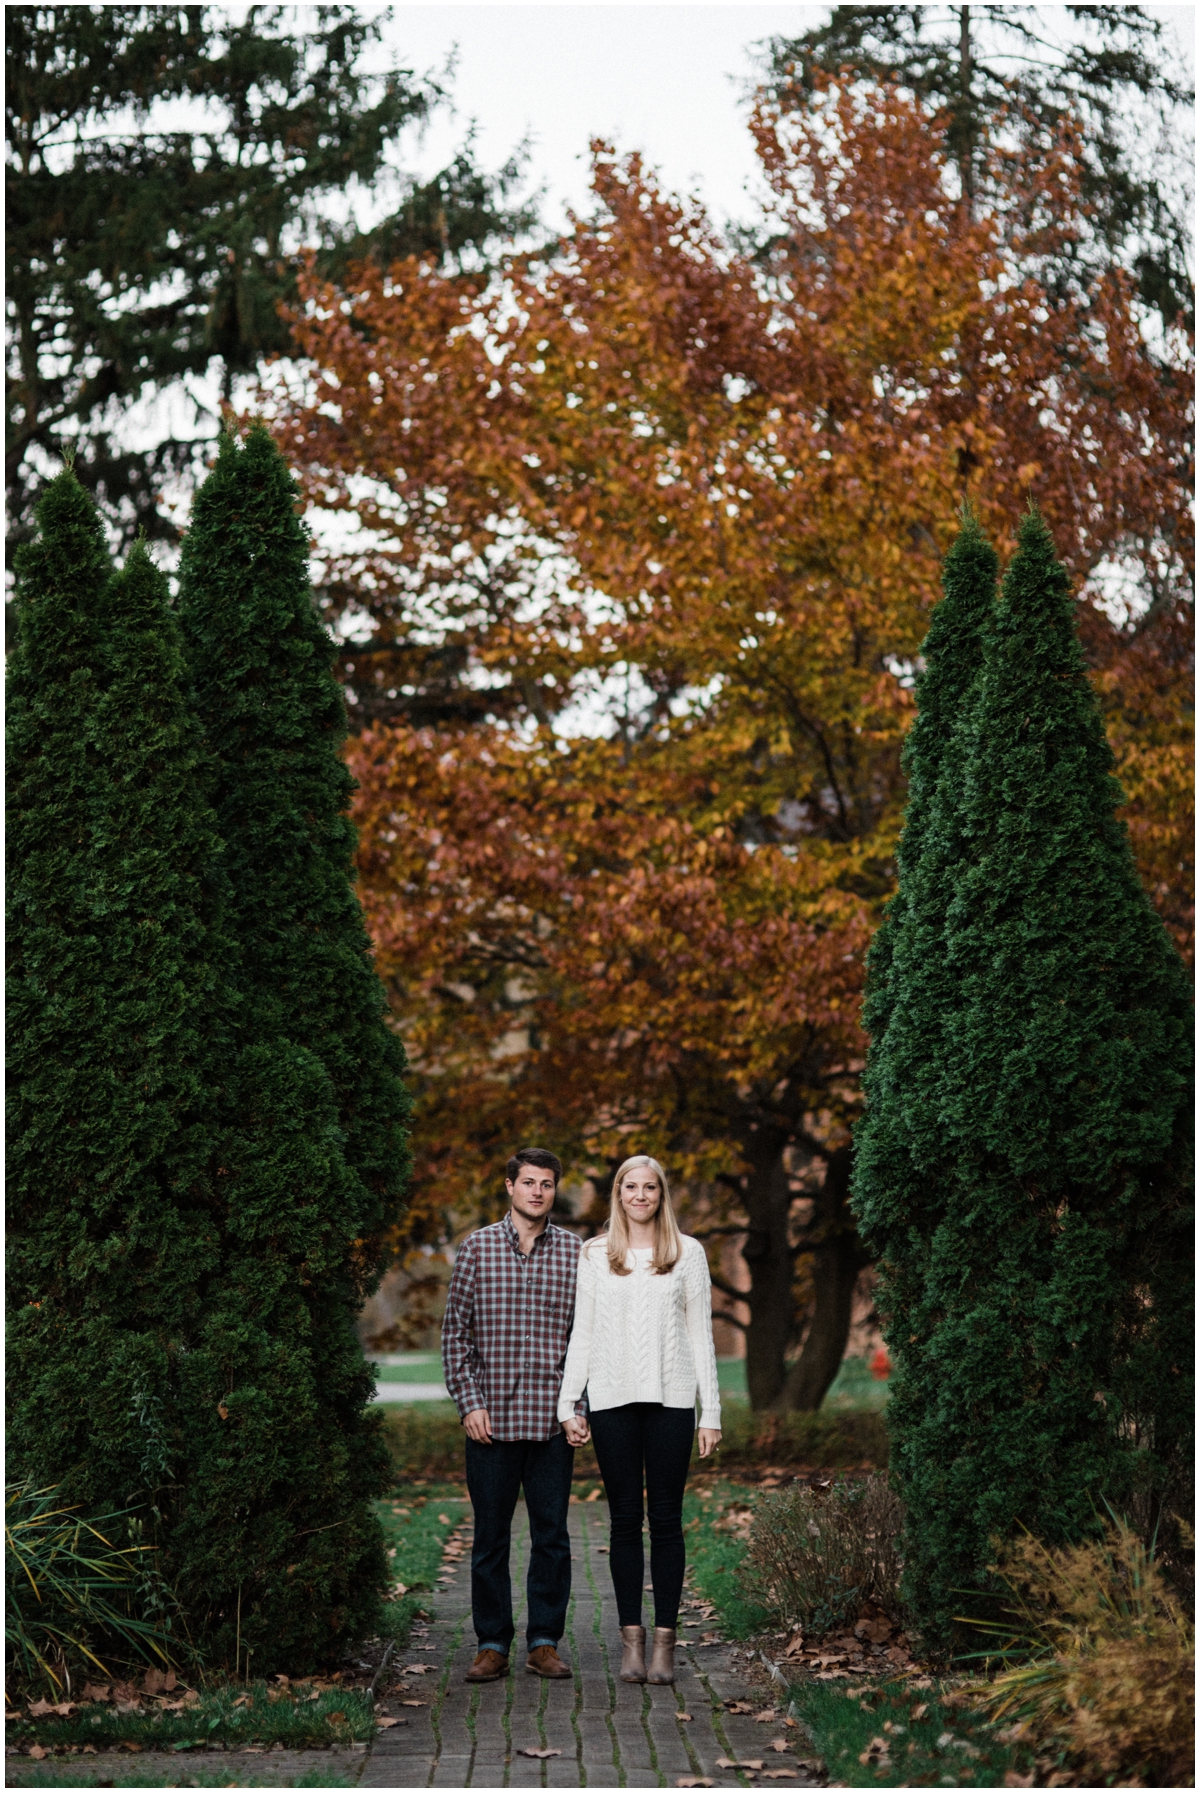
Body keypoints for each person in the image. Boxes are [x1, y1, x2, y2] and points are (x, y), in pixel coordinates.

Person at [558, 1154, 721, 1686]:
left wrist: (710, 1412)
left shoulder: (688, 1253)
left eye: (650, 1187)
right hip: (611, 1402)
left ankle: (665, 1647)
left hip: (672, 1402)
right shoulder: (596, 1254)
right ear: (618, 1193)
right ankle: (632, 1643)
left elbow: (701, 1336)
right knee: (626, 1521)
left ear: (661, 1195)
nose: (641, 1195)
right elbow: (582, 1332)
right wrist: (568, 1404)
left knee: (667, 1523)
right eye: (632, 1186)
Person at [441, 1146, 588, 1684]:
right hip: (491, 1425)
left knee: (552, 1536)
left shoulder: (576, 1254)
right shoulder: (477, 1249)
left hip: (552, 1424)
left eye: (547, 1184)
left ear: (554, 1190)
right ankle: (492, 1643)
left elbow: (585, 1342)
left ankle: (544, 1642)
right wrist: (468, 1403)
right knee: (490, 1538)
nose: (537, 1192)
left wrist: (578, 1408)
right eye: (528, 1182)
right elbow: (455, 1334)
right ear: (510, 1186)